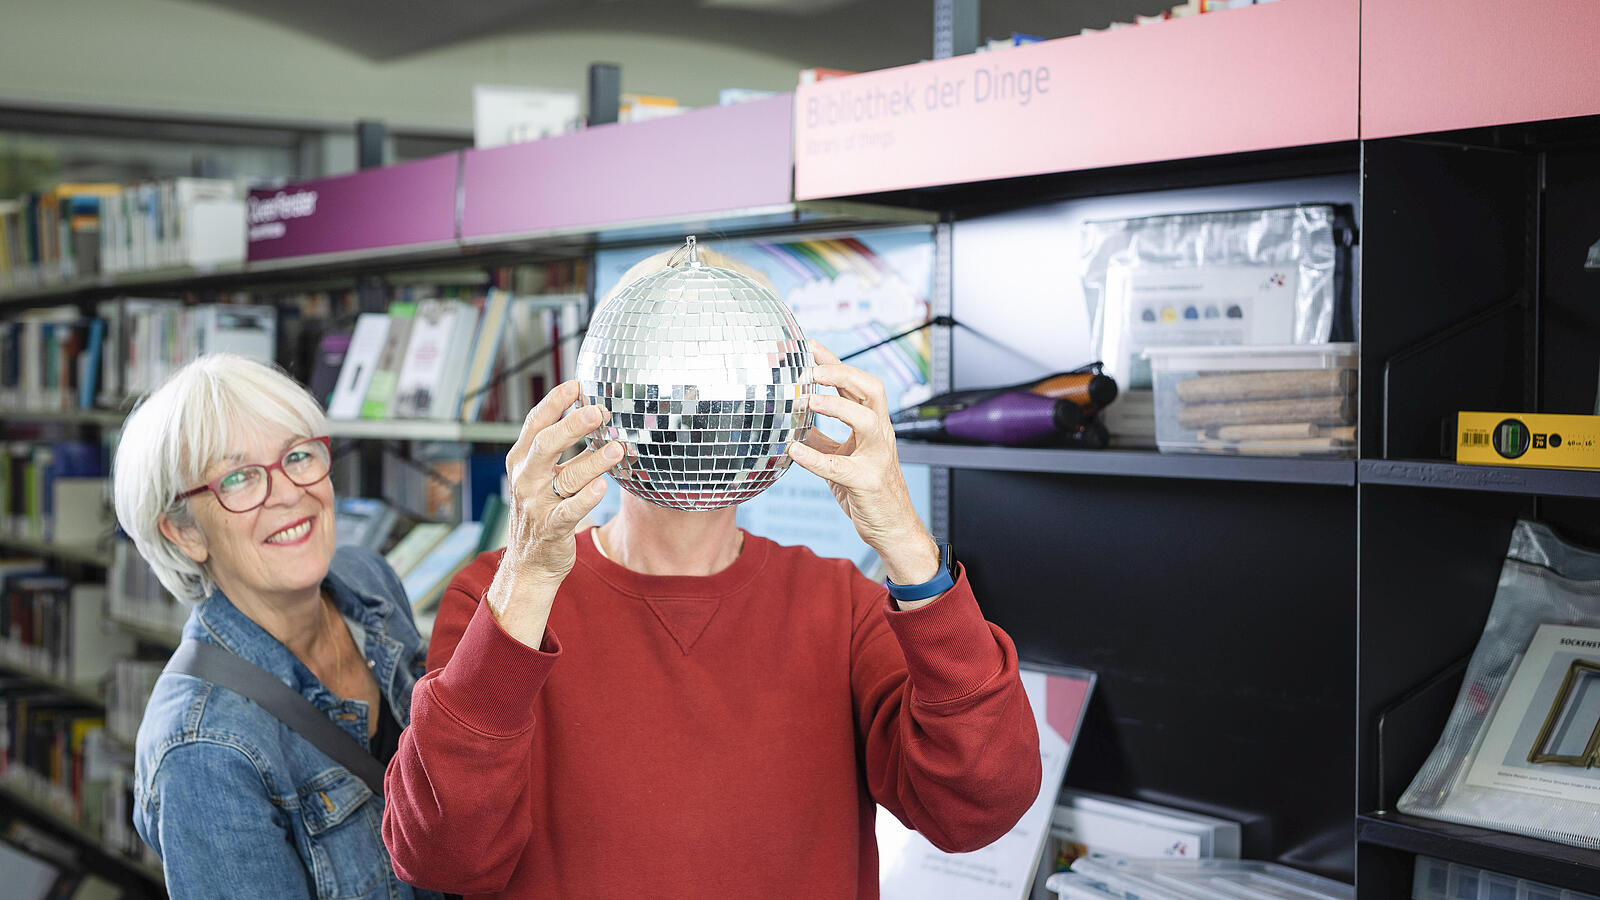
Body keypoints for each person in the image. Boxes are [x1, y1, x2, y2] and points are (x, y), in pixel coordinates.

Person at [383, 331, 1043, 897]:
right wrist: (526, 575)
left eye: (728, 372)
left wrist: (905, 540)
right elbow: (442, 856)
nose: (696, 405)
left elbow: (977, 806)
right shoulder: (497, 597)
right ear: (605, 398)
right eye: (669, 372)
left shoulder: (841, 604)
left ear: (776, 402)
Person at [112, 353, 441, 900]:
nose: (289, 492)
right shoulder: (201, 750)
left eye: (297, 455)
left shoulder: (369, 580)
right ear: (184, 533)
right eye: (238, 478)